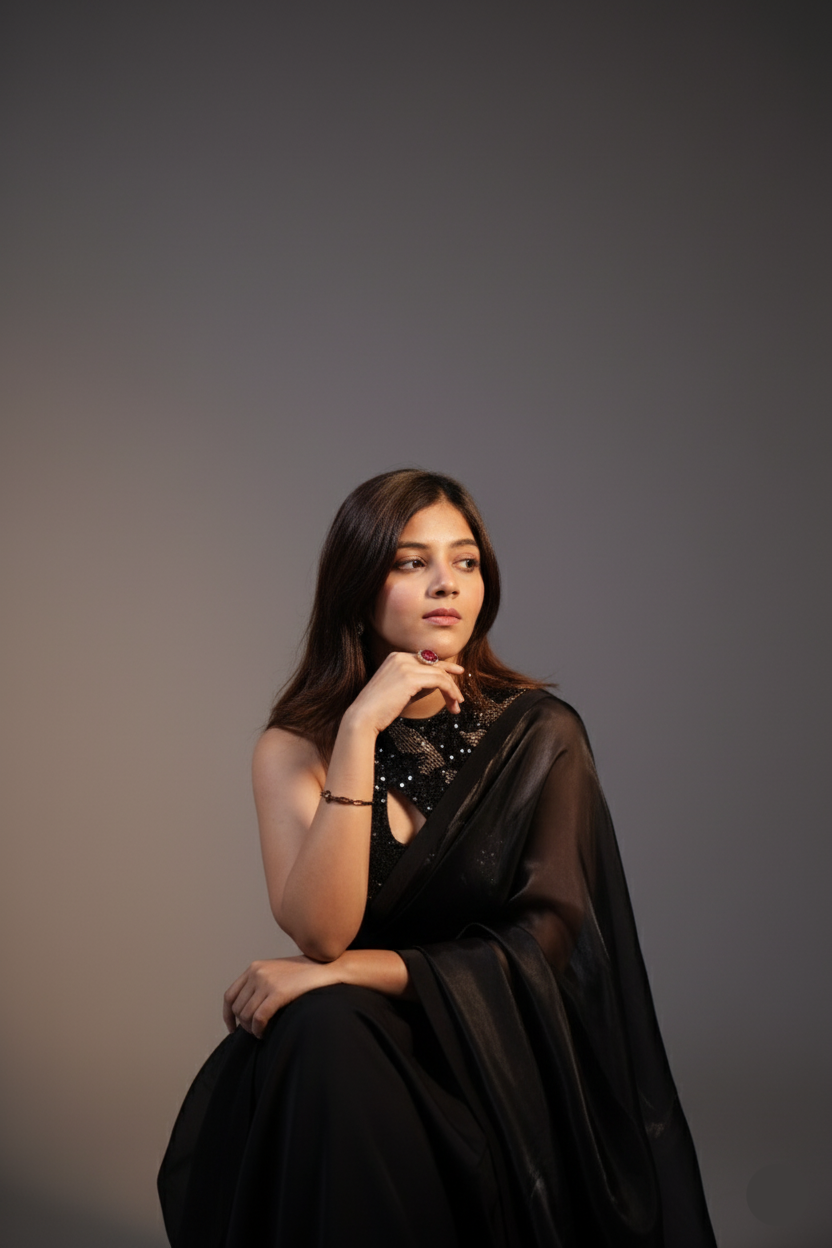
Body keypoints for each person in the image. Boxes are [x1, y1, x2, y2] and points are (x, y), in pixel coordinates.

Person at [158, 469, 717, 1248]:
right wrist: (357, 732)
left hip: (505, 1050)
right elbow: (321, 933)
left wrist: (349, 969)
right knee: (322, 1027)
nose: (445, 585)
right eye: (410, 561)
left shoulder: (540, 731)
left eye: (466, 561)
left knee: (324, 1004)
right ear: (359, 586)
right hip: (361, 1053)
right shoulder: (296, 749)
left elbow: (546, 944)